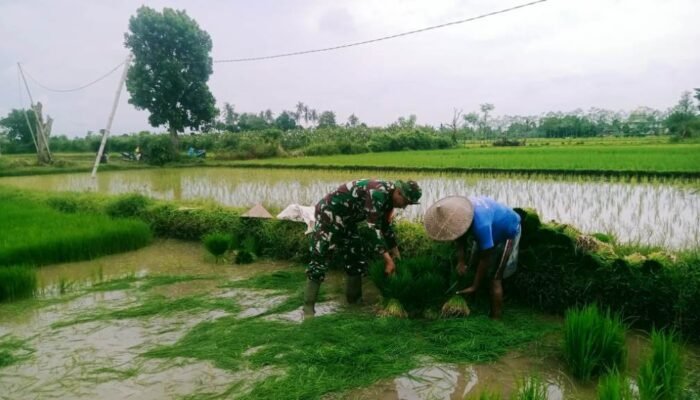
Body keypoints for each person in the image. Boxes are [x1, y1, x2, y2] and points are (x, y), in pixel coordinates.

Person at [303, 179, 422, 317]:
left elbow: (385, 227)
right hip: (329, 214)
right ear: (399, 193)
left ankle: (354, 302)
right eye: (406, 202)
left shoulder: (389, 198)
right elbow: (373, 229)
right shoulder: (377, 193)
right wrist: (388, 260)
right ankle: (308, 310)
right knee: (320, 260)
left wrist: (395, 252)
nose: (404, 207)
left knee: (355, 257)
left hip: (348, 220)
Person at [423, 195, 521, 319]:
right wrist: (461, 261)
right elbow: (459, 237)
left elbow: (485, 258)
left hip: (507, 231)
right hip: (491, 227)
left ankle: (496, 319)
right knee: (472, 266)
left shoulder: (481, 225)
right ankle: (474, 305)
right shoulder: (461, 210)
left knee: (495, 278)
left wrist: (475, 285)